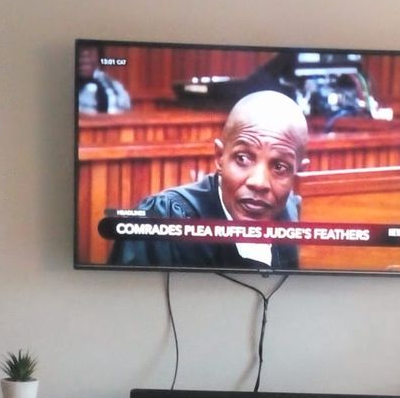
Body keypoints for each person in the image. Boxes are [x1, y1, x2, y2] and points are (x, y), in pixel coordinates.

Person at [108, 90, 310, 269]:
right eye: (242, 158)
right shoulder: (163, 218)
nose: (258, 182)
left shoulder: (301, 217)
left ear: (298, 173)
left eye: (279, 167)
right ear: (220, 157)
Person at [77, 43, 132, 114]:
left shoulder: (113, 85)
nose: (85, 59)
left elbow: (126, 109)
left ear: (98, 57)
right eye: (81, 53)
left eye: (90, 52)